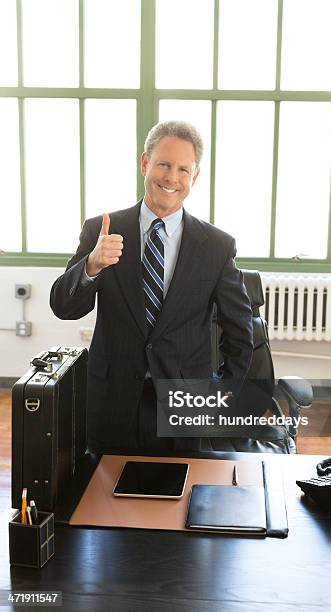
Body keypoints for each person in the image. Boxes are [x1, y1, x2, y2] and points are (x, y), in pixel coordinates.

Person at [50, 120, 253, 453]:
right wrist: (92, 264)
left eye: (183, 169)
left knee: (178, 502)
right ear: (145, 163)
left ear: (194, 176)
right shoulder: (102, 229)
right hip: (111, 401)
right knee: (107, 501)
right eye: (163, 164)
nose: (172, 178)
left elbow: (241, 332)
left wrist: (219, 391)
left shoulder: (216, 246)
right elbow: (63, 306)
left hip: (183, 407)